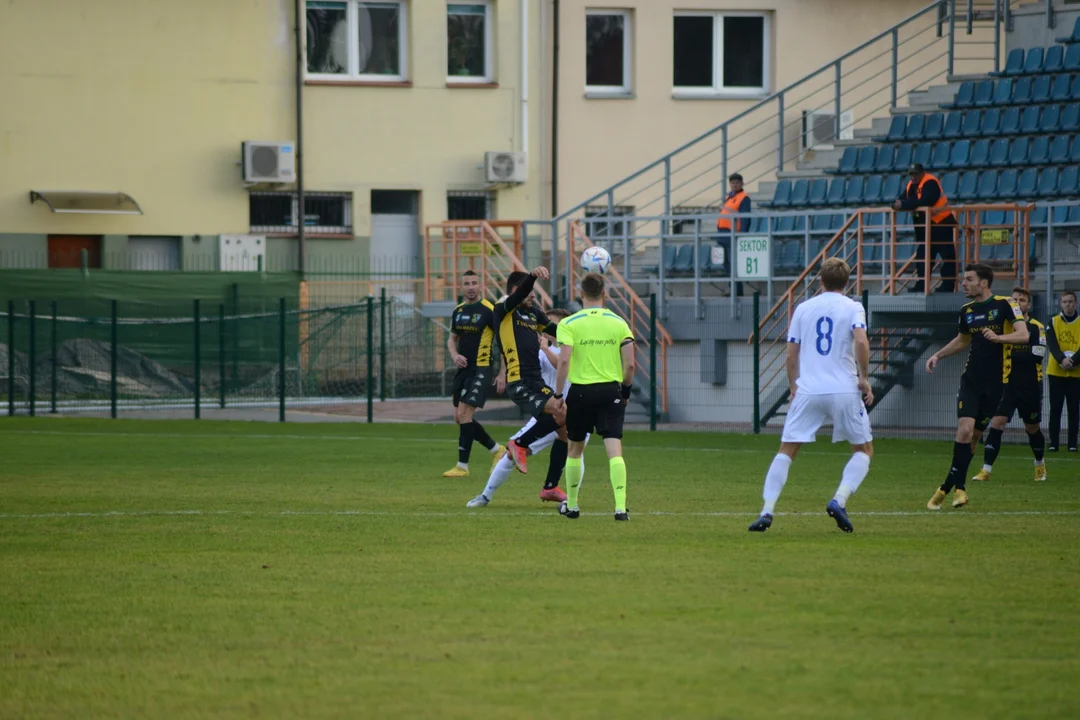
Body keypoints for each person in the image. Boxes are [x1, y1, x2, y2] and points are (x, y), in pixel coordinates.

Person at [747, 258, 874, 534]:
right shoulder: (853, 307)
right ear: (847, 282)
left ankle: (767, 511)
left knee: (787, 450)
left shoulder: (803, 309)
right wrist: (863, 379)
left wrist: (794, 386)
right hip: (844, 388)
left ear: (820, 280)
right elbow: (862, 341)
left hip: (809, 390)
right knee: (863, 450)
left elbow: (791, 353)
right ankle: (839, 499)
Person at [924, 264, 1029, 510]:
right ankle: (960, 489)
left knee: (973, 439)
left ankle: (947, 486)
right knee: (964, 429)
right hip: (971, 380)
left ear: (983, 282)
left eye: (969, 279)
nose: (963, 283)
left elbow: (1023, 335)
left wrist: (1000, 338)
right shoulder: (966, 310)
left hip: (997, 385)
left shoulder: (1005, 304)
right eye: (963, 279)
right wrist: (938, 355)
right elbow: (962, 339)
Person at [466, 309, 586, 507]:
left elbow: (565, 367)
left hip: (570, 412)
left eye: (551, 324)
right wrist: (506, 371)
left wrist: (547, 349)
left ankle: (569, 500)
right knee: (511, 454)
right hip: (548, 413)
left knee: (574, 452)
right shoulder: (538, 352)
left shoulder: (572, 350)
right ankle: (485, 496)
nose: (546, 330)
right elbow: (522, 363)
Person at [553, 272, 636, 521]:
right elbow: (630, 364)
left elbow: (564, 359)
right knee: (614, 450)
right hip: (610, 391)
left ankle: (574, 506)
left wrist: (558, 393)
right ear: (604, 294)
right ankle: (620, 508)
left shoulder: (569, 323)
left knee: (575, 449)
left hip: (579, 393)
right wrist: (626, 391)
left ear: (581, 294)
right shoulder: (619, 322)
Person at [496, 267, 570, 500]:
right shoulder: (504, 310)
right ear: (518, 290)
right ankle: (518, 443)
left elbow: (558, 332)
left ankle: (550, 486)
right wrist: (534, 276)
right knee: (562, 412)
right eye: (531, 293)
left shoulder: (534, 314)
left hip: (536, 381)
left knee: (565, 429)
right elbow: (518, 296)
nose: (534, 296)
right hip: (519, 381)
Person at [971, 287, 1048, 483]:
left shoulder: (1036, 327)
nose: (1017, 303)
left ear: (1028, 305)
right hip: (1005, 384)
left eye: (1021, 300)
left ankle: (1039, 464)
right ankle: (985, 470)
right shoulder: (1002, 326)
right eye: (1014, 300)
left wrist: (1003, 345)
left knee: (1032, 427)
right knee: (997, 423)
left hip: (1030, 384)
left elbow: (1036, 356)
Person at [442, 270, 506, 478]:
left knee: (464, 414)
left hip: (481, 369)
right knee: (459, 417)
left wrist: (503, 373)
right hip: (463, 370)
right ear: (461, 287)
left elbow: (504, 341)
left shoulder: (489, 310)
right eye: (467, 283)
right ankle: (497, 450)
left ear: (481, 286)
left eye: (474, 283)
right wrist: (454, 355)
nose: (470, 286)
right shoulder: (458, 311)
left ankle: (462, 466)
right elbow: (452, 339)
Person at [892, 163, 958, 293]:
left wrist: (903, 204)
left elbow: (926, 201)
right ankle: (922, 284)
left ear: (922, 173)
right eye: (911, 174)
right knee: (923, 256)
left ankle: (948, 285)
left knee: (947, 256)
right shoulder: (911, 185)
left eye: (916, 173)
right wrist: (896, 203)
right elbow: (903, 198)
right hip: (926, 227)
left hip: (941, 223)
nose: (913, 176)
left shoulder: (930, 182)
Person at [1045, 290, 1080, 452]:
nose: (1068, 304)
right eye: (1065, 302)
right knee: (1055, 408)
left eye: (1071, 301)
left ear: (1076, 303)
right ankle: (1054, 443)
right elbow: (1051, 343)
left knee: (1074, 409)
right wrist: (1061, 359)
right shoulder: (1052, 321)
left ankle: (1072, 443)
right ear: (1060, 303)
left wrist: (1074, 361)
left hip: (1076, 372)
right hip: (1056, 372)